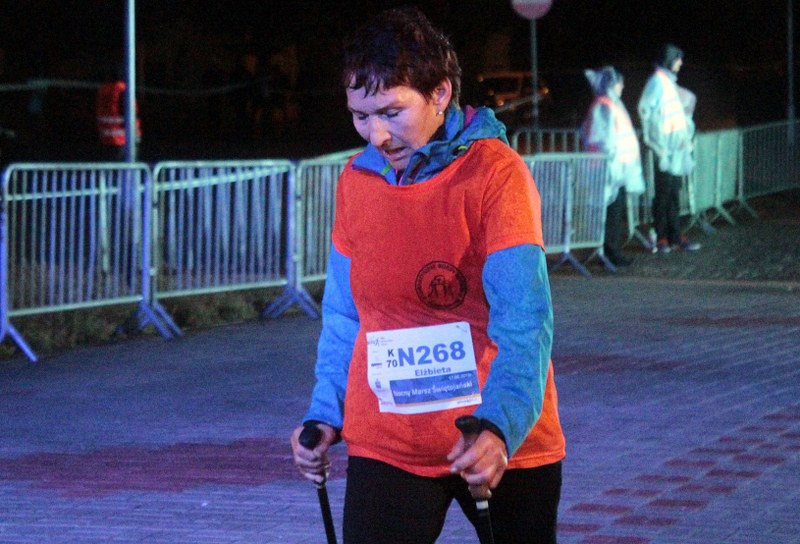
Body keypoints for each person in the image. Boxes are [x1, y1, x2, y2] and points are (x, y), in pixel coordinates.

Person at [290, 7, 565, 544]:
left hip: (494, 440)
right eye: (360, 116)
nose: (376, 135)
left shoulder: (496, 175)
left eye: (391, 112)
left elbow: (525, 323)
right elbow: (346, 315)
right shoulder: (357, 182)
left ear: (440, 94)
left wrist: (499, 426)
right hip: (389, 445)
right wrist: (325, 412)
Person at [580, 66, 645, 268]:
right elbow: (602, 140)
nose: (622, 86)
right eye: (619, 82)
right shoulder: (604, 106)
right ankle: (610, 252)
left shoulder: (610, 104)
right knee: (611, 213)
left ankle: (612, 250)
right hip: (608, 171)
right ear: (611, 84)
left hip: (616, 170)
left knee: (614, 213)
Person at [637, 43, 700, 253]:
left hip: (675, 150)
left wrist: (684, 138)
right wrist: (655, 143)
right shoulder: (657, 82)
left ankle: (675, 234)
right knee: (664, 193)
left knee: (673, 192)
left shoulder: (668, 83)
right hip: (663, 150)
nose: (681, 63)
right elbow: (647, 111)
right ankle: (661, 235)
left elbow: (674, 115)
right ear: (669, 60)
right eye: (678, 59)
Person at [95, 65, 141, 161]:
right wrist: (136, 135)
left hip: (105, 139)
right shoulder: (123, 90)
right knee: (127, 168)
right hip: (123, 140)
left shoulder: (103, 90)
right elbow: (131, 114)